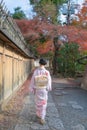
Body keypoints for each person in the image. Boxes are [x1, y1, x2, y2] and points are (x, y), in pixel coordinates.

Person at [29, 58, 52, 125]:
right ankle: (42, 117)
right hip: (44, 89)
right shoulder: (47, 72)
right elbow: (49, 81)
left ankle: (38, 114)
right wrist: (48, 88)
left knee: (37, 102)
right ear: (45, 64)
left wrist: (32, 88)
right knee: (43, 103)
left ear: (39, 63)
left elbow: (33, 80)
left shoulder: (36, 71)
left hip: (38, 89)